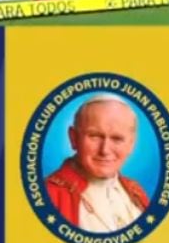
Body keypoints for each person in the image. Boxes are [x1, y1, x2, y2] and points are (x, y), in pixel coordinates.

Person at [44, 95, 148, 232]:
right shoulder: (48, 196)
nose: (105, 150)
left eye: (117, 138)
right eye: (95, 136)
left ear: (131, 144)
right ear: (73, 138)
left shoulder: (136, 191)